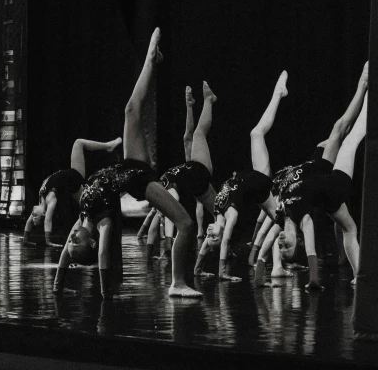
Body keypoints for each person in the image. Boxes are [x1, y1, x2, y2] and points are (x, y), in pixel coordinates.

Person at [54, 28, 203, 299]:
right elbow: (102, 256)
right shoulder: (101, 226)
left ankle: (151, 60)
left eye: (71, 240)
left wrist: (57, 286)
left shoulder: (81, 218)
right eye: (77, 242)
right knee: (186, 224)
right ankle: (177, 283)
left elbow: (65, 254)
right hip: (139, 182)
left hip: (129, 164)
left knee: (131, 109)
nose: (72, 238)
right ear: (91, 242)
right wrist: (103, 292)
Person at [255, 71, 367, 290]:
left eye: (281, 247)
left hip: (316, 169)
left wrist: (259, 275)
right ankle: (369, 92)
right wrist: (314, 280)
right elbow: (311, 251)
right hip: (333, 185)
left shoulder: (280, 217)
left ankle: (358, 276)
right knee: (350, 138)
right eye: (286, 246)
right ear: (297, 239)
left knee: (350, 228)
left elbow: (263, 246)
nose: (281, 243)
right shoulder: (302, 219)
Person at [194, 71, 288, 281]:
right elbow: (225, 241)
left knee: (279, 221)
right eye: (214, 236)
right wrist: (222, 273)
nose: (210, 233)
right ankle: (278, 93)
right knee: (257, 133)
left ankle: (277, 266)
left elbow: (208, 246)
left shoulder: (217, 207)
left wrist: (198, 268)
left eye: (209, 236)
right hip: (261, 181)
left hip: (256, 191)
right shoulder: (230, 216)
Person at [146, 82, 217, 256]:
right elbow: (164, 221)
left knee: (188, 138)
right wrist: (166, 248)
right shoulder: (163, 194)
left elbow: (160, 223)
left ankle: (190, 105)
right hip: (198, 173)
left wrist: (158, 250)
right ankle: (209, 100)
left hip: (193, 179)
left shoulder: (162, 190)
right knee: (199, 134)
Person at [23, 137, 122, 247]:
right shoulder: (51, 200)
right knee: (78, 143)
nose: (32, 214)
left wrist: (26, 239)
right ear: (44, 213)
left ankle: (92, 233)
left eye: (33, 215)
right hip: (75, 176)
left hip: (71, 187)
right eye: (36, 217)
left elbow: (29, 222)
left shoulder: (41, 198)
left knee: (89, 208)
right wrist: (48, 241)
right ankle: (108, 146)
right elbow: (48, 220)